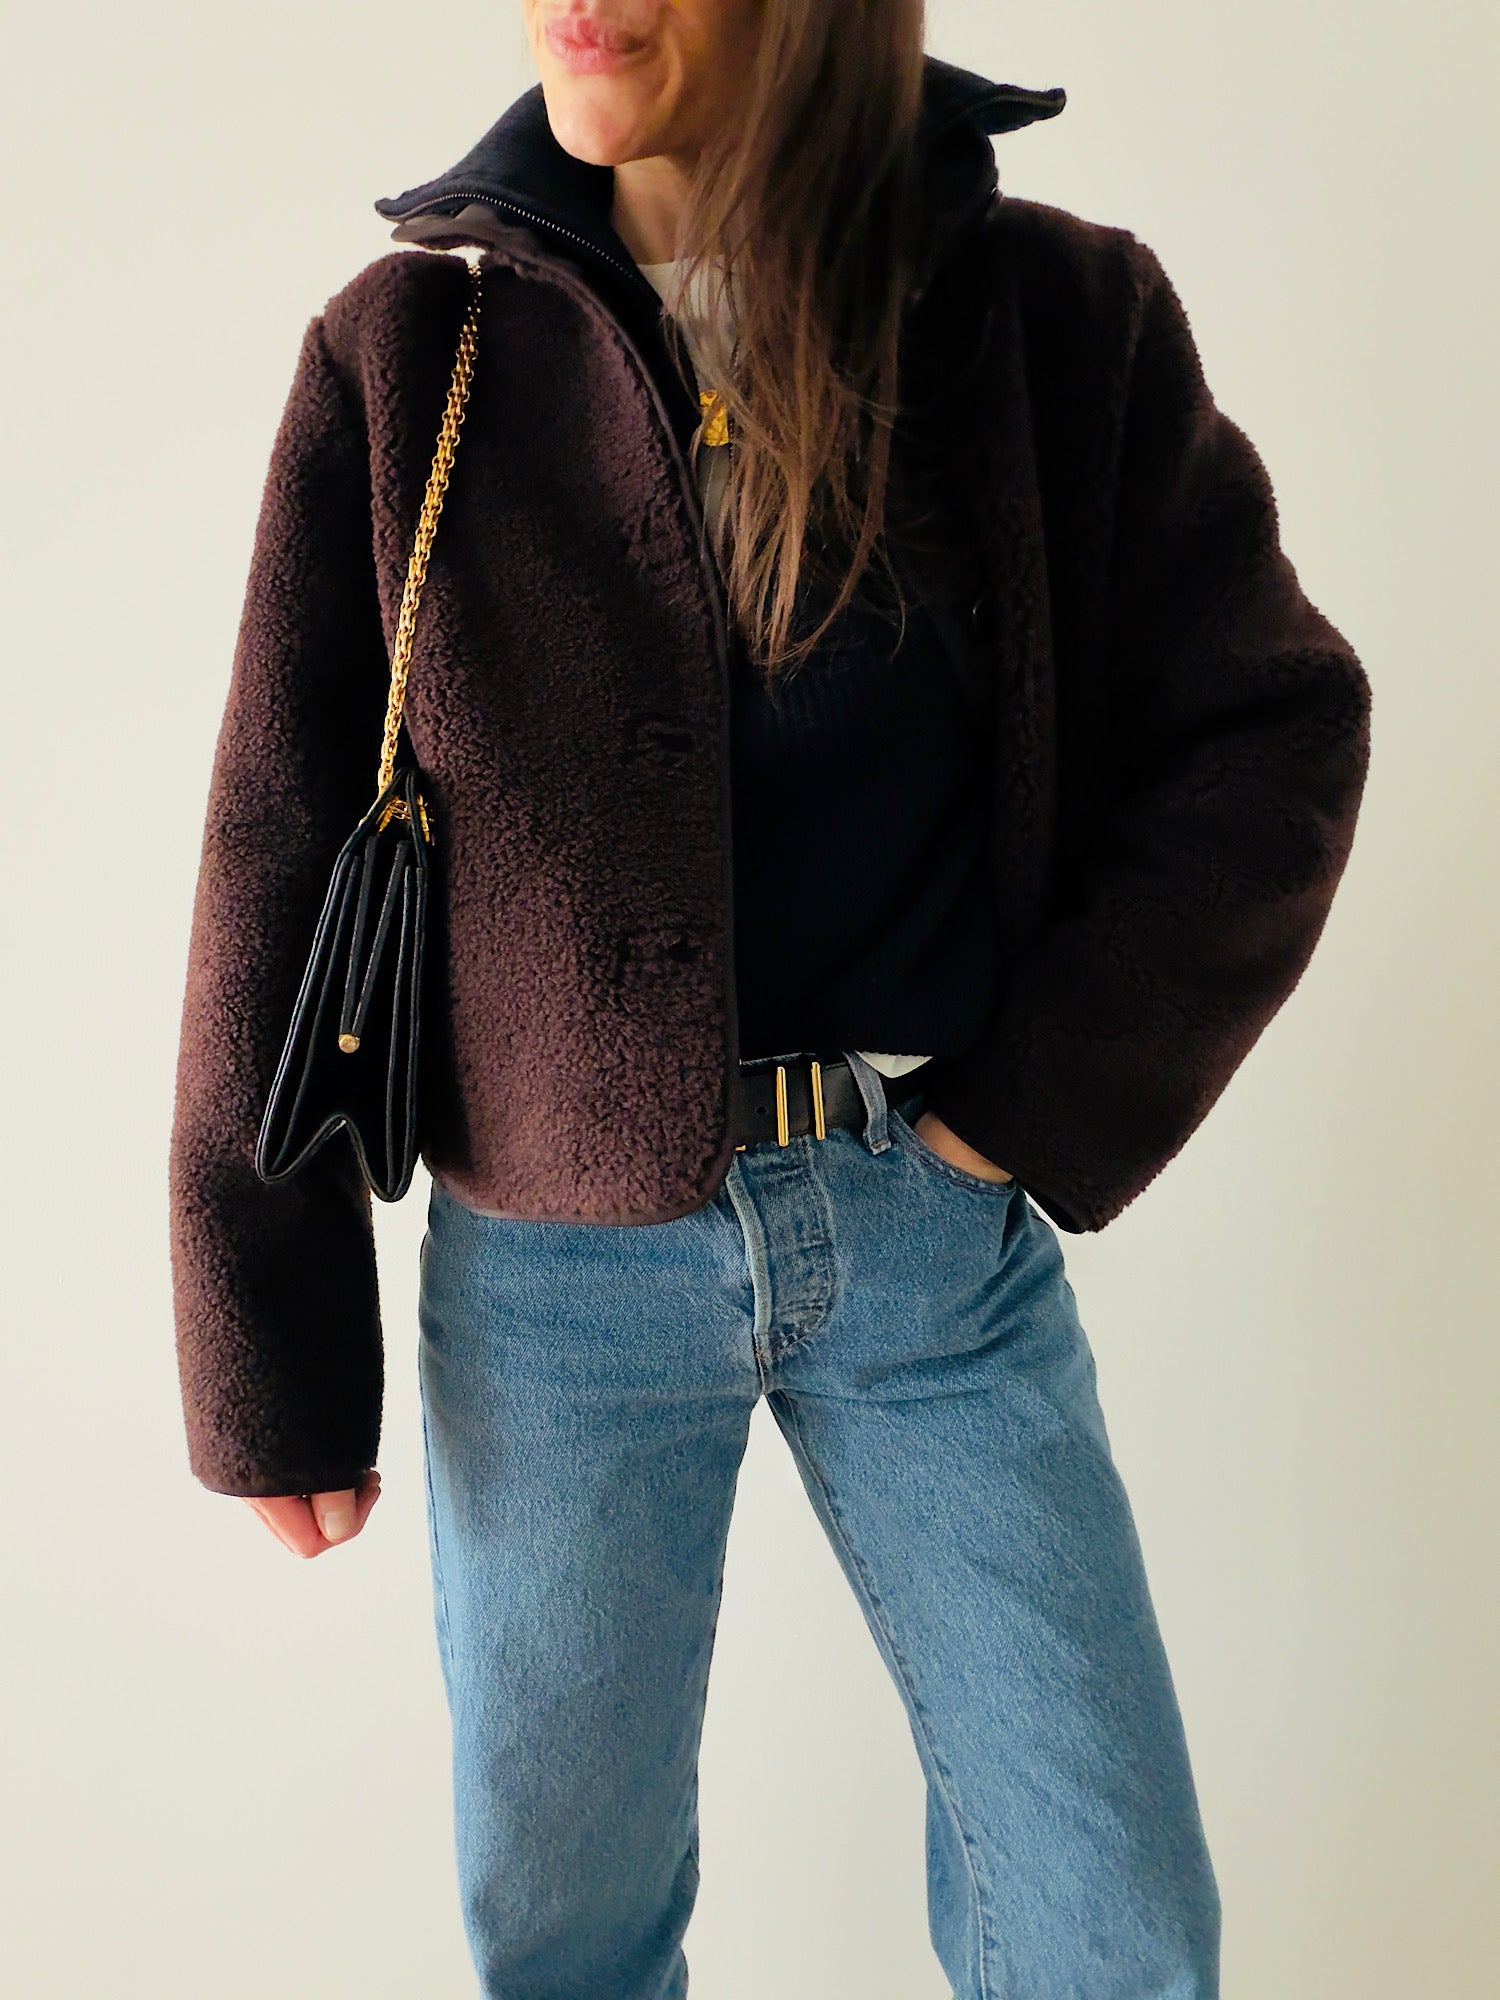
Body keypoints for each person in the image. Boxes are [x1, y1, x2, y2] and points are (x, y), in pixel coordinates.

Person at [168, 3, 1371, 1994]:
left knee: (1116, 1922)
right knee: (565, 1933)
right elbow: (279, 849)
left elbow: (1274, 730)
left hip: (936, 1244)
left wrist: (1031, 1108)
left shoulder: (1048, 317)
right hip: (551, 1273)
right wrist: (268, 1341)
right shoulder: (412, 356)